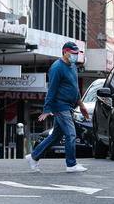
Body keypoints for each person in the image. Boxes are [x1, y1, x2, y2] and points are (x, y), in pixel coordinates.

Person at [26, 42, 89, 173]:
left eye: (77, 53)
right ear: (65, 52)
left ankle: (34, 156)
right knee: (71, 134)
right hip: (60, 106)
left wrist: (81, 105)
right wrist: (47, 109)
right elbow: (52, 89)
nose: (75, 56)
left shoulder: (72, 66)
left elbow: (75, 89)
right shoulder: (57, 67)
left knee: (55, 136)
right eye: (73, 53)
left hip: (69, 106)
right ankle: (71, 165)